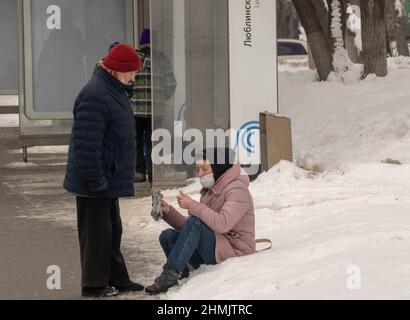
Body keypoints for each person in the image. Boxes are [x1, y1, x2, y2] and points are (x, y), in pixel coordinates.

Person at [63, 44, 144, 298]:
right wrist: (96, 180)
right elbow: (86, 145)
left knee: (111, 230)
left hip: (107, 177)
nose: (134, 77)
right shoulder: (95, 95)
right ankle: (94, 284)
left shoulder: (113, 90)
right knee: (96, 234)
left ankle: (117, 278)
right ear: (118, 70)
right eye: (131, 72)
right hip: (94, 180)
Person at [145, 148, 256, 295]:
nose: (201, 174)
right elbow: (194, 231)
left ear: (219, 168)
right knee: (167, 236)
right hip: (218, 247)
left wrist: (192, 205)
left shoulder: (237, 190)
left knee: (195, 223)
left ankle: (169, 275)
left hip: (235, 254)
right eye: (198, 169)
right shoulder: (210, 190)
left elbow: (223, 224)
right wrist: (168, 212)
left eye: (205, 168)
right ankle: (183, 272)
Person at [130, 28, 177, 183]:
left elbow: (127, 81)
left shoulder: (134, 58)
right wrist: (161, 98)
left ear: (141, 42)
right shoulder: (162, 59)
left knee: (135, 138)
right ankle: (152, 170)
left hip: (136, 109)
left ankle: (139, 171)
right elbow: (171, 84)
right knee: (152, 139)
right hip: (156, 109)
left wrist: (130, 97)